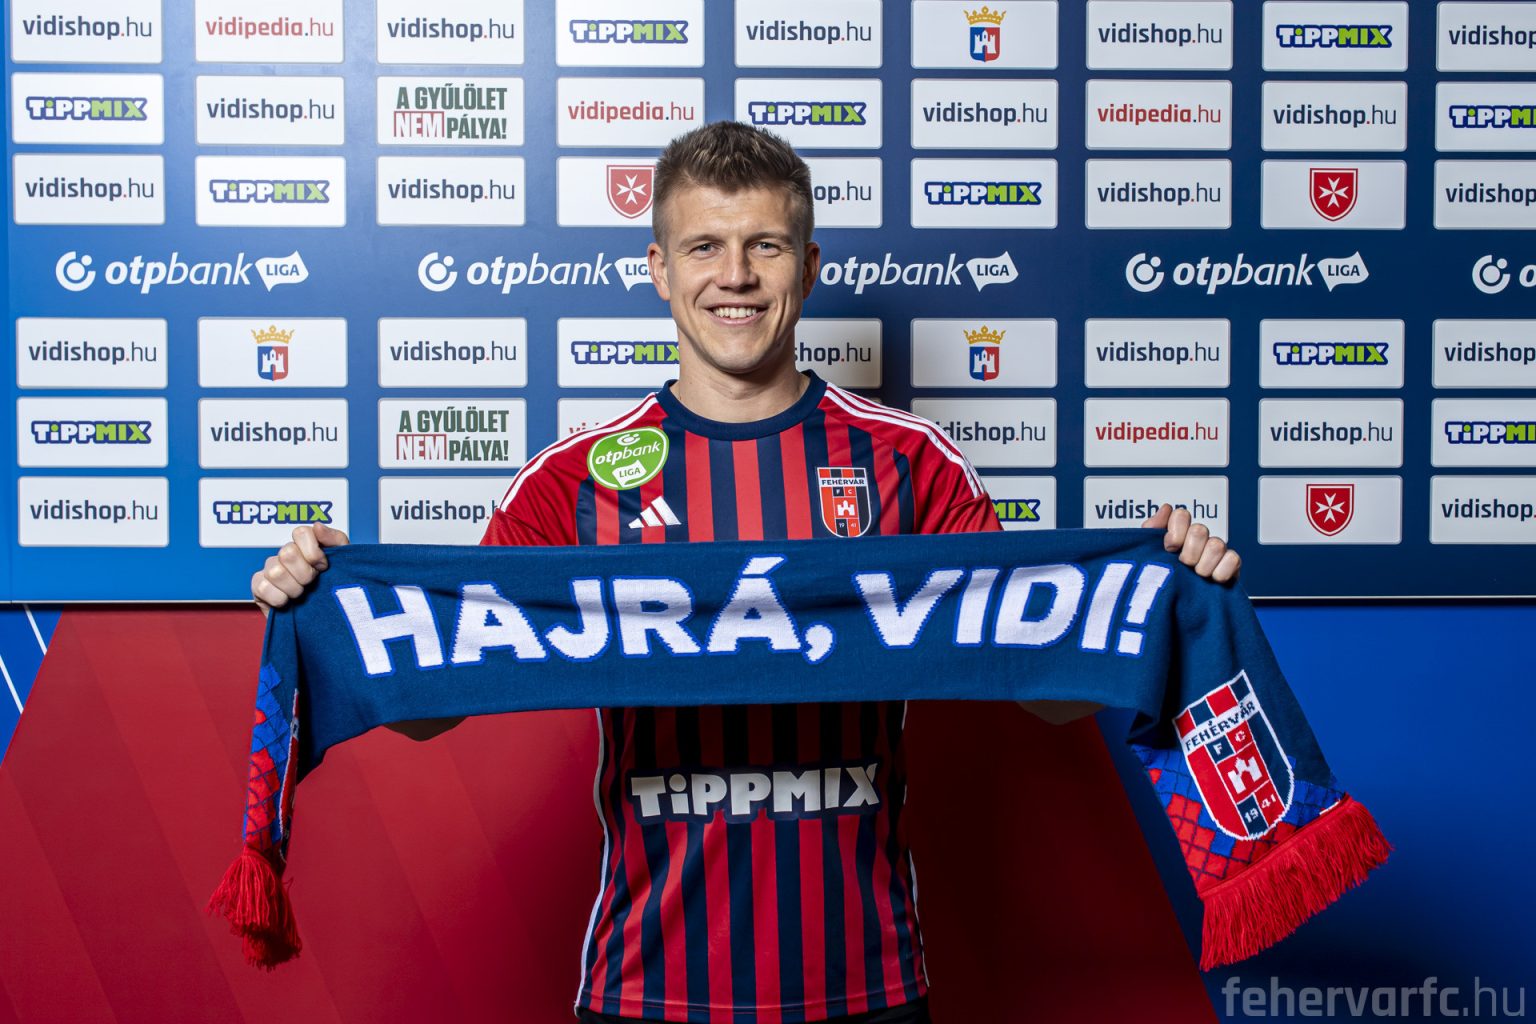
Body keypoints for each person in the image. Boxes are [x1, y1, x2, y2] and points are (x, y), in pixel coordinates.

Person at [252, 122, 1240, 1024]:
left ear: (808, 266)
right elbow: (434, 702)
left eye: (765, 245)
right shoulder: (572, 482)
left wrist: (1162, 596)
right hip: (646, 989)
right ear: (659, 269)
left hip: (868, 985)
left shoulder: (912, 463)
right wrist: (327, 603)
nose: (736, 275)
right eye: (704, 247)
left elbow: (1048, 691)